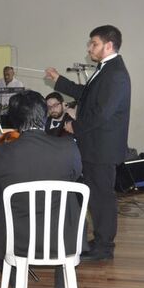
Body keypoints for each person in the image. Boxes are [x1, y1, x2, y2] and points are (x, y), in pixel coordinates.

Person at [0, 91, 83, 288]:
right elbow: (73, 178)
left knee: (13, 223)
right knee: (64, 206)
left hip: (18, 243)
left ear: (14, 120)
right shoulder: (69, 147)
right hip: (63, 239)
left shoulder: (1, 154)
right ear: (44, 115)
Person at [45, 25, 131, 261]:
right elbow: (87, 93)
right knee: (97, 195)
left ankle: (104, 248)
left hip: (102, 147)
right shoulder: (106, 69)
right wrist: (59, 80)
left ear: (108, 45)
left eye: (93, 43)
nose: (89, 48)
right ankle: (101, 241)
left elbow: (102, 113)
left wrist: (76, 126)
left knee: (103, 197)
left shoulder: (115, 73)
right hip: (96, 145)